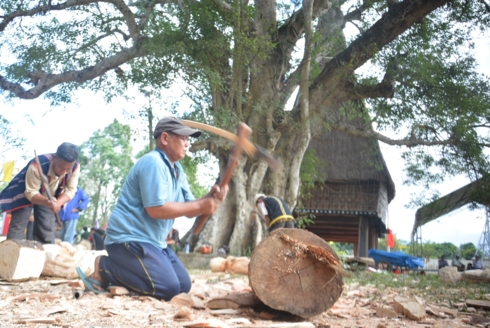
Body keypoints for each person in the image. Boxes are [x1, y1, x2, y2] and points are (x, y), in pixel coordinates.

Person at [76, 116, 228, 300]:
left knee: (183, 286)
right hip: (128, 239)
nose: (188, 144)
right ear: (165, 138)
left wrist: (211, 198)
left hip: (154, 242)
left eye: (189, 139)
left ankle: (118, 269)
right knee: (167, 289)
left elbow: (191, 209)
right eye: (183, 138)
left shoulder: (177, 170)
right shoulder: (153, 163)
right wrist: (202, 204)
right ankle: (105, 267)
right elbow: (156, 210)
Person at [0, 143, 80, 244]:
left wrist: (57, 203)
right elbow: (31, 192)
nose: (64, 171)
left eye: (68, 169)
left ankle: (44, 254)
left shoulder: (75, 167)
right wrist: (46, 201)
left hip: (50, 196)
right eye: (60, 167)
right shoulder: (38, 164)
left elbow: (71, 190)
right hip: (25, 192)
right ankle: (11, 253)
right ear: (54, 157)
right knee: (18, 226)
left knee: (46, 228)